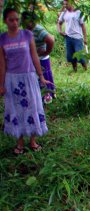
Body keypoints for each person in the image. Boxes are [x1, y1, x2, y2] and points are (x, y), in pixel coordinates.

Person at [0, 8, 48, 154]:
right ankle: (19, 143)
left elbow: (34, 56)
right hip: (12, 79)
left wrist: (41, 75)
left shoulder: (27, 35)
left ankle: (33, 141)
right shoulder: (2, 39)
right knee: (16, 109)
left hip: (29, 77)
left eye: (16, 19)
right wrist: (1, 84)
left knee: (33, 106)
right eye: (11, 20)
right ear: (5, 21)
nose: (15, 23)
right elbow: (2, 63)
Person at [21, 11, 56, 102]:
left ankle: (47, 97)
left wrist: (45, 52)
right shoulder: (26, 30)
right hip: (32, 59)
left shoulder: (37, 29)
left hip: (41, 59)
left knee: (44, 77)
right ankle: (39, 96)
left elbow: (51, 40)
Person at [57, 0, 87, 72]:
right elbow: (59, 23)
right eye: (64, 5)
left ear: (71, 3)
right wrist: (60, 31)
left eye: (66, 4)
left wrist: (85, 38)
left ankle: (85, 69)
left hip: (78, 37)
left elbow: (83, 26)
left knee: (80, 55)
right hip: (68, 37)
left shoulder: (78, 13)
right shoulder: (64, 13)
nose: (65, 6)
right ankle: (75, 70)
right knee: (71, 56)